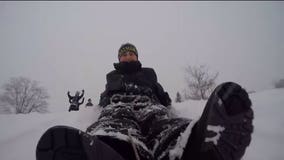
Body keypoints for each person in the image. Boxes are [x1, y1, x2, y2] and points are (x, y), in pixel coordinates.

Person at [36, 43, 254, 160]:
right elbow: (105, 100)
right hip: (119, 106)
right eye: (124, 55)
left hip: (149, 105)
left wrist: (167, 104)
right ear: (119, 58)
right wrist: (100, 106)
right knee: (116, 123)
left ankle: (189, 145)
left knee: (163, 124)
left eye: (131, 54)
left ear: (137, 57)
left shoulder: (149, 75)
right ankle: (113, 148)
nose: (128, 57)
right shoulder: (112, 78)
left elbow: (163, 96)